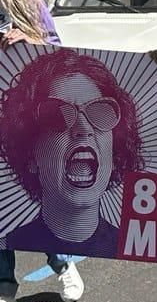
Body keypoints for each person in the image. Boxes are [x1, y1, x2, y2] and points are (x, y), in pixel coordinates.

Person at [0, 0, 84, 302]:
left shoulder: (29, 3)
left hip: (26, 118)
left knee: (39, 194)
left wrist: (30, 40)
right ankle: (4, 284)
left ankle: (63, 263)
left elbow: (58, 51)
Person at [0, 49, 144, 260]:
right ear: (30, 154)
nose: (83, 128)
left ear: (114, 151)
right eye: (57, 115)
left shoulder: (136, 248)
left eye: (101, 112)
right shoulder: (7, 244)